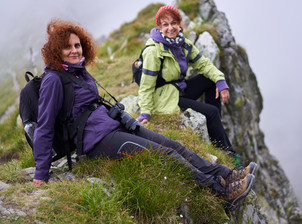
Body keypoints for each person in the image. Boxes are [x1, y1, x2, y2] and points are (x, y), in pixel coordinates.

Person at [32, 19, 257, 209]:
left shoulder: (79, 71)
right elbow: (44, 126)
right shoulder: (53, 80)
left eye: (77, 45)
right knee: (166, 155)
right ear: (56, 51)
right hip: (97, 140)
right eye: (68, 47)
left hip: (112, 124)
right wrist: (41, 174)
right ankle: (221, 192)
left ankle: (226, 174)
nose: (74, 51)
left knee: (174, 145)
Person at [136, 5, 235, 154]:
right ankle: (228, 154)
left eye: (174, 23)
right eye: (165, 24)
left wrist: (220, 81)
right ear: (159, 27)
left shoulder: (183, 44)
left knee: (210, 80)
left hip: (179, 89)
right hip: (164, 97)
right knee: (212, 112)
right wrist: (145, 113)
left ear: (179, 24)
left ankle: (215, 127)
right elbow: (146, 86)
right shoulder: (153, 51)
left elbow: (204, 64)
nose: (170, 28)